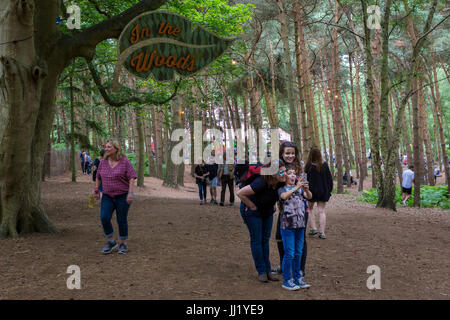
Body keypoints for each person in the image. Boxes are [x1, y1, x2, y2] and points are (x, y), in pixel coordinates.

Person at [236, 160, 286, 283]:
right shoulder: (261, 182)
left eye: (284, 170)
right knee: (257, 240)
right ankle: (261, 271)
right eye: (281, 171)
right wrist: (252, 205)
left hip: (267, 212)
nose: (284, 173)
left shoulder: (280, 184)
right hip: (253, 213)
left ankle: (268, 271)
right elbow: (240, 193)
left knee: (265, 240)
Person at [273, 141, 310, 284]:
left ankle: (300, 269)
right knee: (280, 237)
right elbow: (277, 185)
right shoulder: (279, 168)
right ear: (282, 153)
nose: (290, 155)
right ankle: (285, 266)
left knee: (301, 239)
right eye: (287, 153)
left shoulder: (300, 168)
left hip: (300, 209)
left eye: (293, 153)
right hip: (285, 210)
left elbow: (305, 188)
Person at [93, 140, 137, 254]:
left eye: (109, 147)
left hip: (122, 196)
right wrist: (96, 190)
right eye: (106, 147)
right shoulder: (103, 162)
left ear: (116, 149)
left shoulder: (124, 161)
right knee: (104, 217)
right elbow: (98, 177)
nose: (106, 149)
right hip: (107, 196)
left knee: (121, 220)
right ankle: (111, 242)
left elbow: (132, 177)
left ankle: (123, 244)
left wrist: (131, 193)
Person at [278, 164, 312, 290]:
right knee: (290, 253)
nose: (293, 175)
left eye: (294, 173)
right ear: (284, 176)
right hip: (287, 226)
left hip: (300, 225)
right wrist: (296, 187)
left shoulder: (300, 189)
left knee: (298, 252)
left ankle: (298, 278)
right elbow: (283, 197)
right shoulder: (282, 189)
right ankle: (287, 280)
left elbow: (310, 197)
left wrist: (306, 189)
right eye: (290, 173)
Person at [305, 147, 333, 240]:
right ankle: (322, 232)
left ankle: (314, 228)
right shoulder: (324, 165)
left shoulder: (308, 166)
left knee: (309, 209)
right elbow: (329, 179)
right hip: (322, 191)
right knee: (321, 211)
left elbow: (305, 179)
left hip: (311, 192)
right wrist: (329, 190)